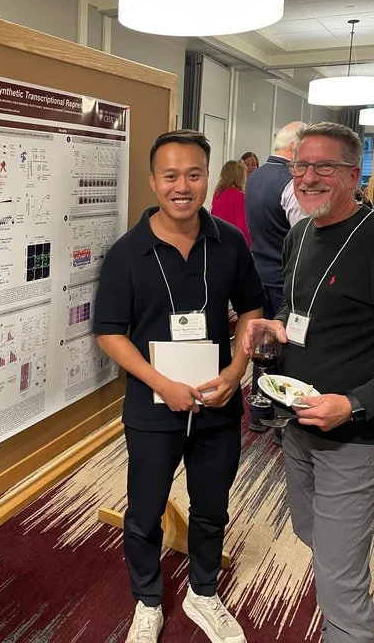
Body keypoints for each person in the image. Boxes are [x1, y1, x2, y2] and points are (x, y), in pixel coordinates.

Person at [93, 129, 263, 643]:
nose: (182, 187)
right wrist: (161, 383)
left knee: (212, 506)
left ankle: (203, 592)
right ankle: (148, 600)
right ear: (153, 181)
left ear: (208, 177)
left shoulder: (230, 242)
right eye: (170, 176)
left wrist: (237, 371)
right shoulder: (127, 253)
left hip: (216, 400)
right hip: (153, 405)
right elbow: (109, 334)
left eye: (193, 175)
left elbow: (251, 310)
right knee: (144, 510)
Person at [243, 122, 374, 643]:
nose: (308, 177)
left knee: (339, 579)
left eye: (324, 167)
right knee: (309, 531)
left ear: (354, 175)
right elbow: (296, 310)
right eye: (300, 165)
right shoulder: (300, 234)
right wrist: (275, 325)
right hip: (297, 424)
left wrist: (354, 403)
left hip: (355, 438)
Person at [244, 121, 307, 434]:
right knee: (286, 349)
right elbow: (303, 236)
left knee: (262, 346)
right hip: (284, 279)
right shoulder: (290, 182)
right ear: (295, 147)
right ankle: (283, 421)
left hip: (258, 272)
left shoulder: (254, 177)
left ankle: (259, 411)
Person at [211, 159, 251, 247]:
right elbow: (242, 226)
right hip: (233, 243)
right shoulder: (239, 196)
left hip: (219, 241)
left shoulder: (217, 194)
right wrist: (249, 247)